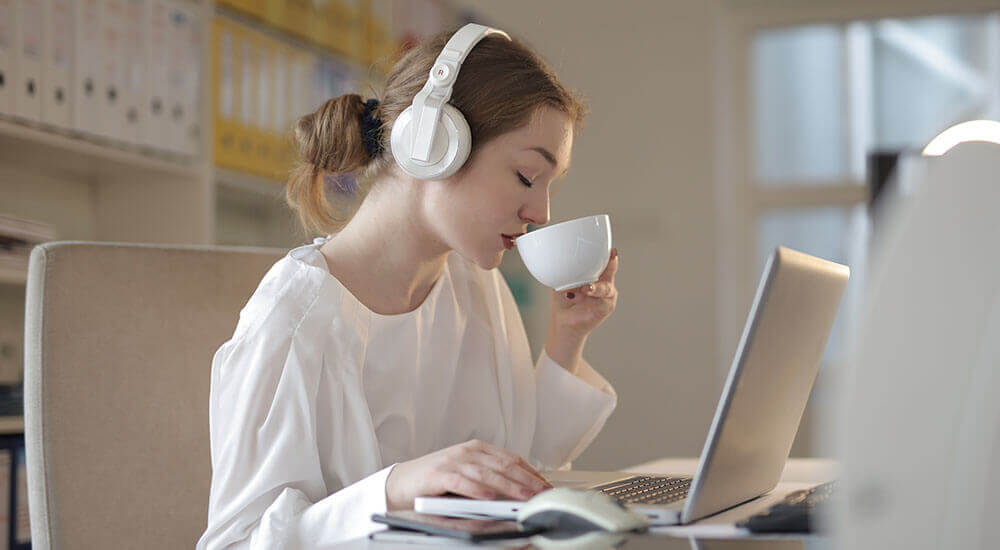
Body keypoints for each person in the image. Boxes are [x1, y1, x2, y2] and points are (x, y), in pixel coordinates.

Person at [197, 23, 621, 549]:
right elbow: (236, 543)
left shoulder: (475, 285)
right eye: (526, 176)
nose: (541, 212)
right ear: (432, 144)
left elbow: (516, 474)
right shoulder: (296, 318)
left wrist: (568, 338)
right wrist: (394, 489)